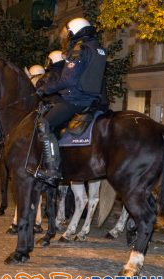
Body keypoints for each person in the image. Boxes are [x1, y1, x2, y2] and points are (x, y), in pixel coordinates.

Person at [35, 17, 107, 186]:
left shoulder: (78, 49)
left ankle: (52, 170)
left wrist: (45, 89)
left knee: (44, 123)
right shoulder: (98, 49)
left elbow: (68, 80)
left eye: (68, 32)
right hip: (93, 100)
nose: (67, 36)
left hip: (76, 99)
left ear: (74, 31)